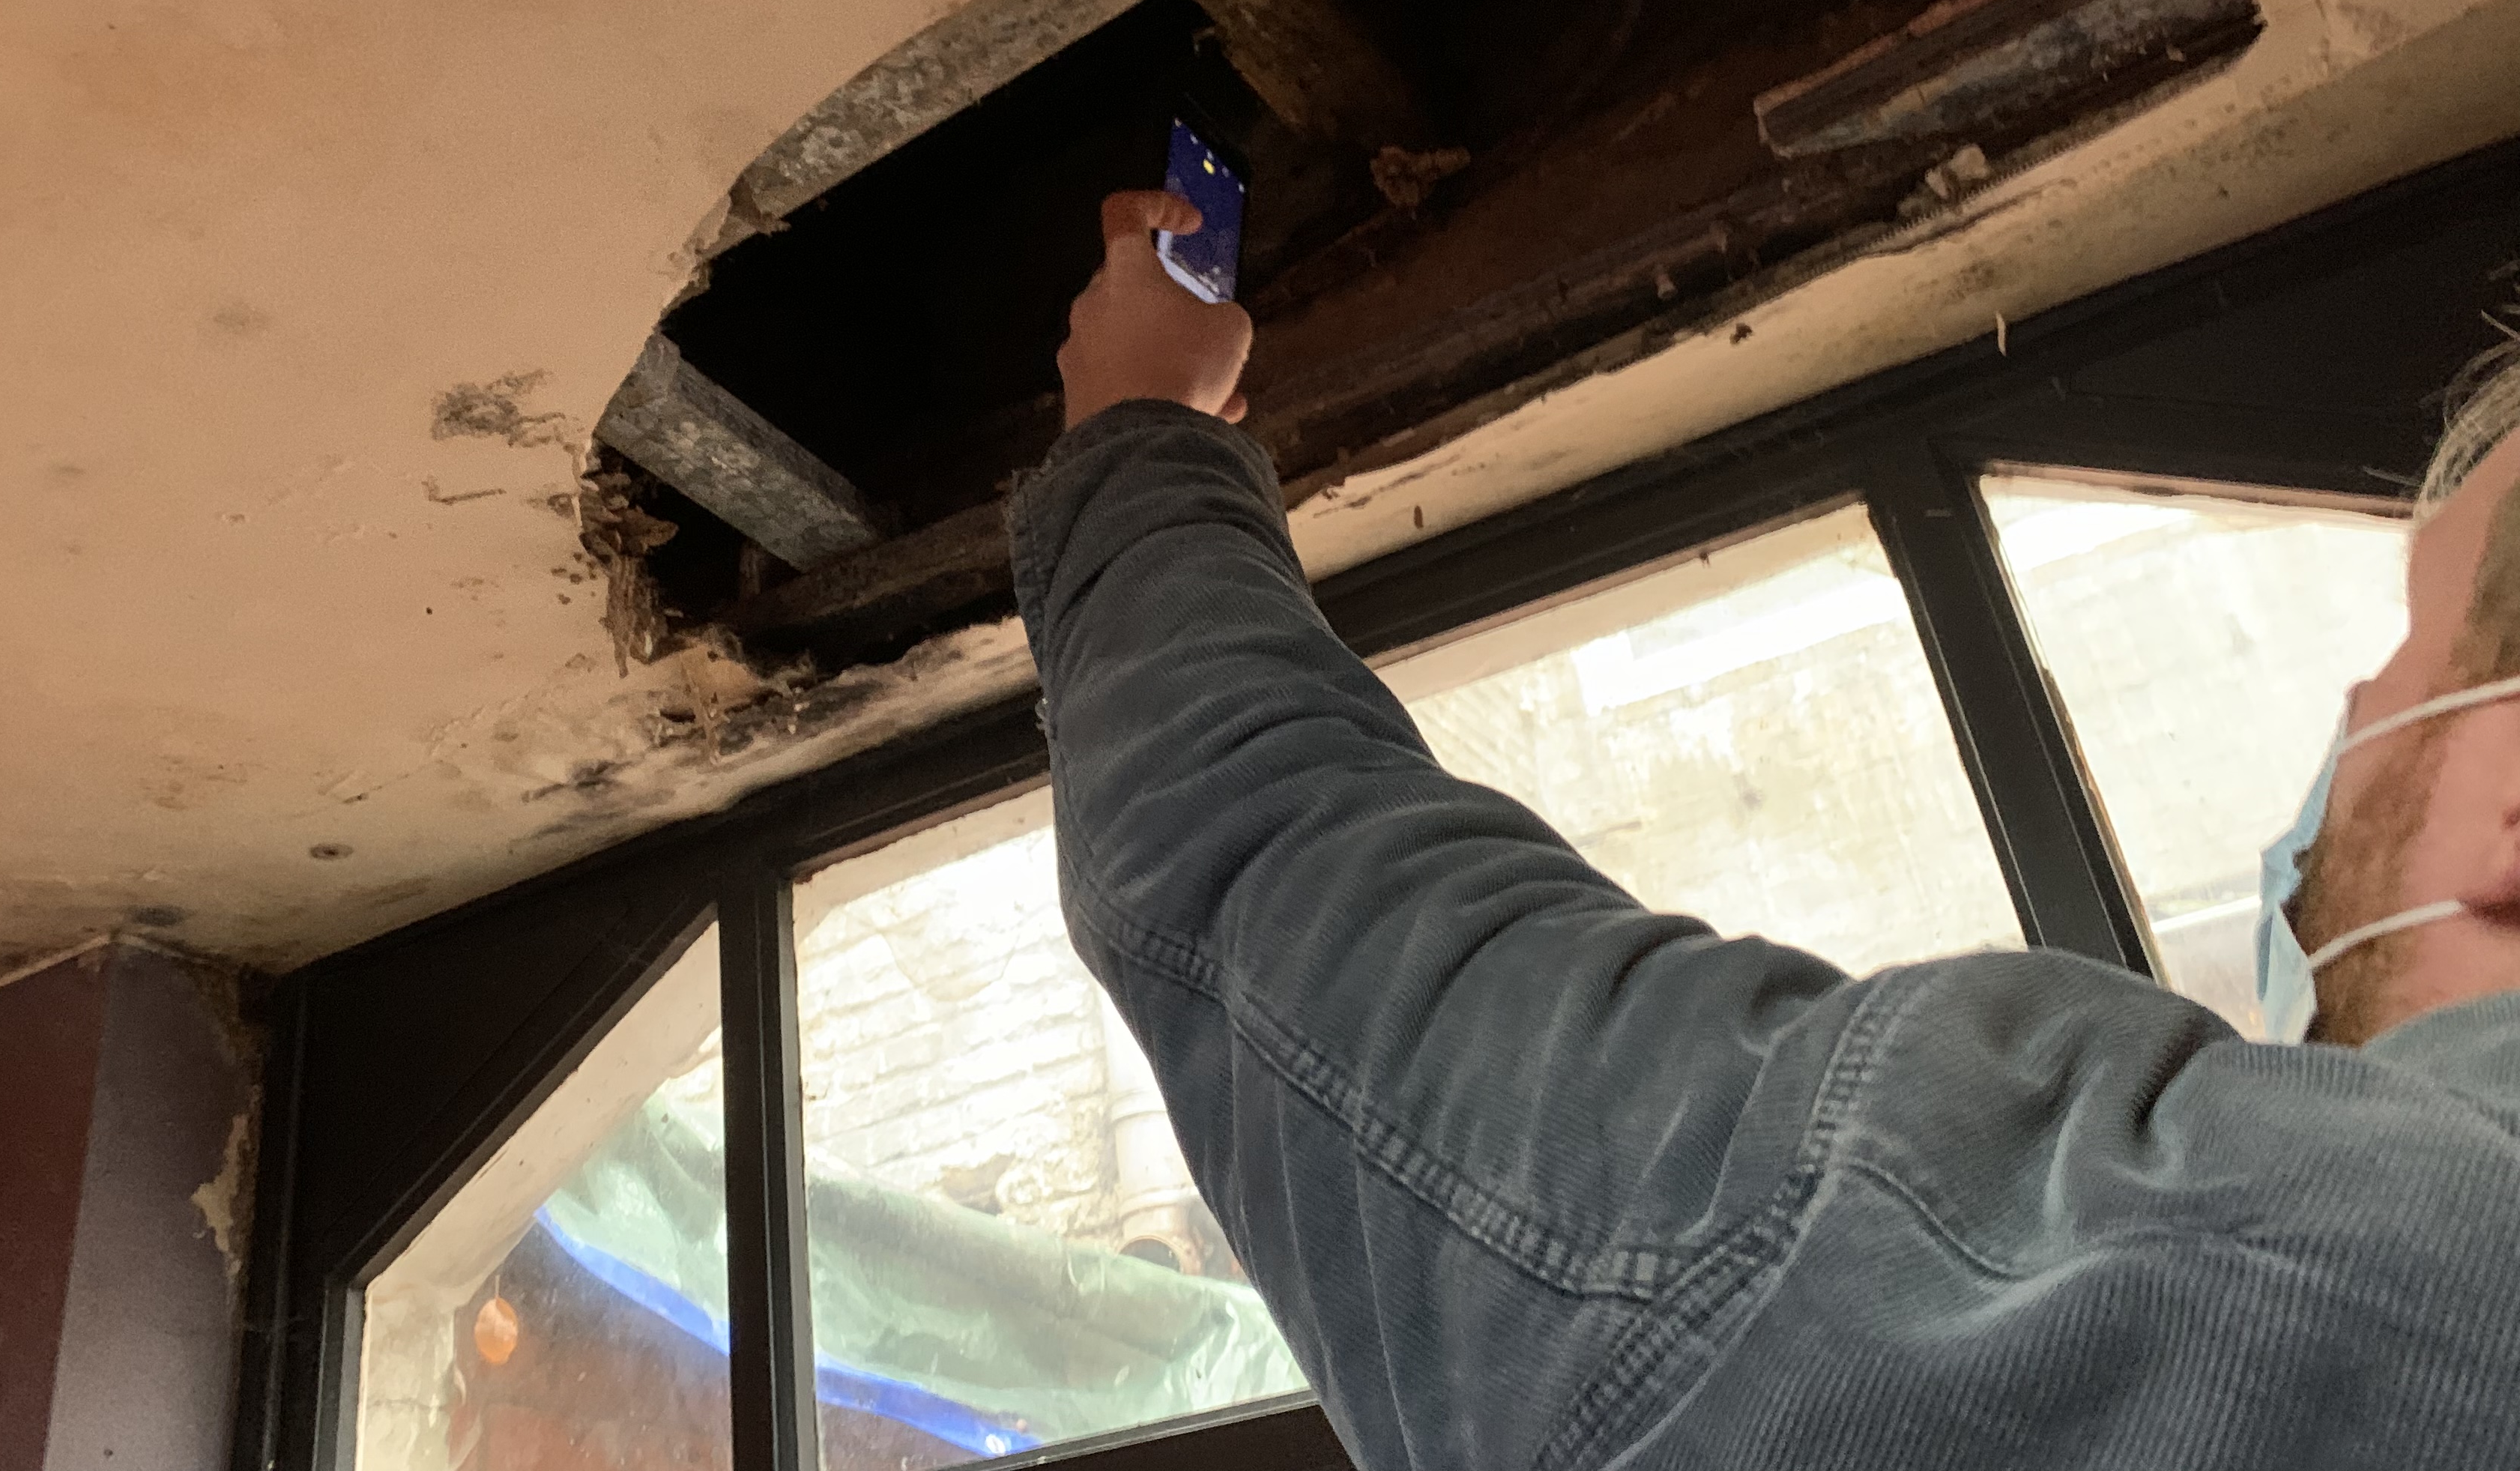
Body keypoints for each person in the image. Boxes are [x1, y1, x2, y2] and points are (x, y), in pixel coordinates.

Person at [1014, 189, 2520, 1470]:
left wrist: (1143, 429)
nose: (2360, 700)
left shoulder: (2261, 1252)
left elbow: (1280, 878)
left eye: (2416, 649)